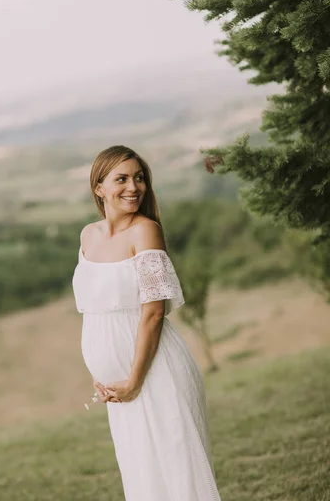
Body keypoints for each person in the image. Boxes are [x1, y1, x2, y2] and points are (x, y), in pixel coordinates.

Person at [72, 144, 222, 501]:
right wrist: (100, 369)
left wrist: (134, 380)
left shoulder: (145, 231)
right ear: (99, 187)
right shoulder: (88, 235)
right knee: (143, 475)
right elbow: (94, 309)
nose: (133, 187)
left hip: (153, 373)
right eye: (121, 178)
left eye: (139, 178)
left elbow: (153, 313)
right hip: (118, 384)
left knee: (177, 473)